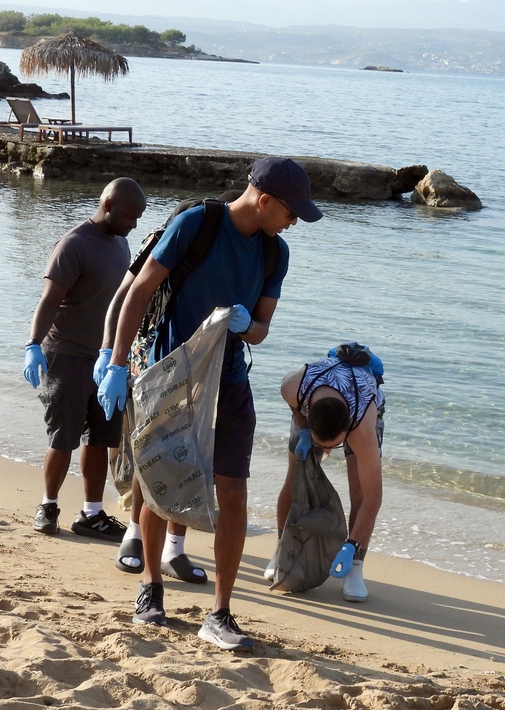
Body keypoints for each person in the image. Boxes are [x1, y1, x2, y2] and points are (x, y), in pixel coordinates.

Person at [97, 156, 322, 650]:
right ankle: (150, 589)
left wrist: (247, 326)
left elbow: (261, 330)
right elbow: (138, 291)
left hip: (231, 383)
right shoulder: (196, 223)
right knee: (160, 484)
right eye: (291, 213)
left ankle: (219, 613)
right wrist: (115, 362)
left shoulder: (274, 255)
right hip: (171, 378)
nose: (293, 224)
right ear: (265, 200)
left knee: (233, 495)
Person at [95, 192, 242, 586]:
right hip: (152, 360)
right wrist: (110, 355)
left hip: (203, 368)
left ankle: (174, 548)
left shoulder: (241, 250)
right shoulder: (165, 238)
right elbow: (123, 298)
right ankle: (134, 534)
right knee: (152, 454)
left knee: (190, 459)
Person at [22, 177, 147, 543]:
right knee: (64, 437)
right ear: (107, 205)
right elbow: (49, 300)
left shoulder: (121, 244)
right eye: (129, 215)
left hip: (107, 362)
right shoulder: (73, 245)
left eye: (138, 217)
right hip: (68, 355)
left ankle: (91, 513)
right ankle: (48, 505)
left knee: (100, 438)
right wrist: (32, 344)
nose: (134, 224)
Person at [267, 344, 385, 603]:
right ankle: (281, 549)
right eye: (325, 445)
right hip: (316, 399)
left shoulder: (362, 426)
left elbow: (373, 498)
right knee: (294, 478)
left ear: (348, 432)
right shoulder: (294, 387)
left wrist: (351, 544)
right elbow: (294, 404)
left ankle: (354, 567)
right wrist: (304, 429)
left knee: (359, 492)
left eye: (333, 446)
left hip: (361, 400)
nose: (328, 451)